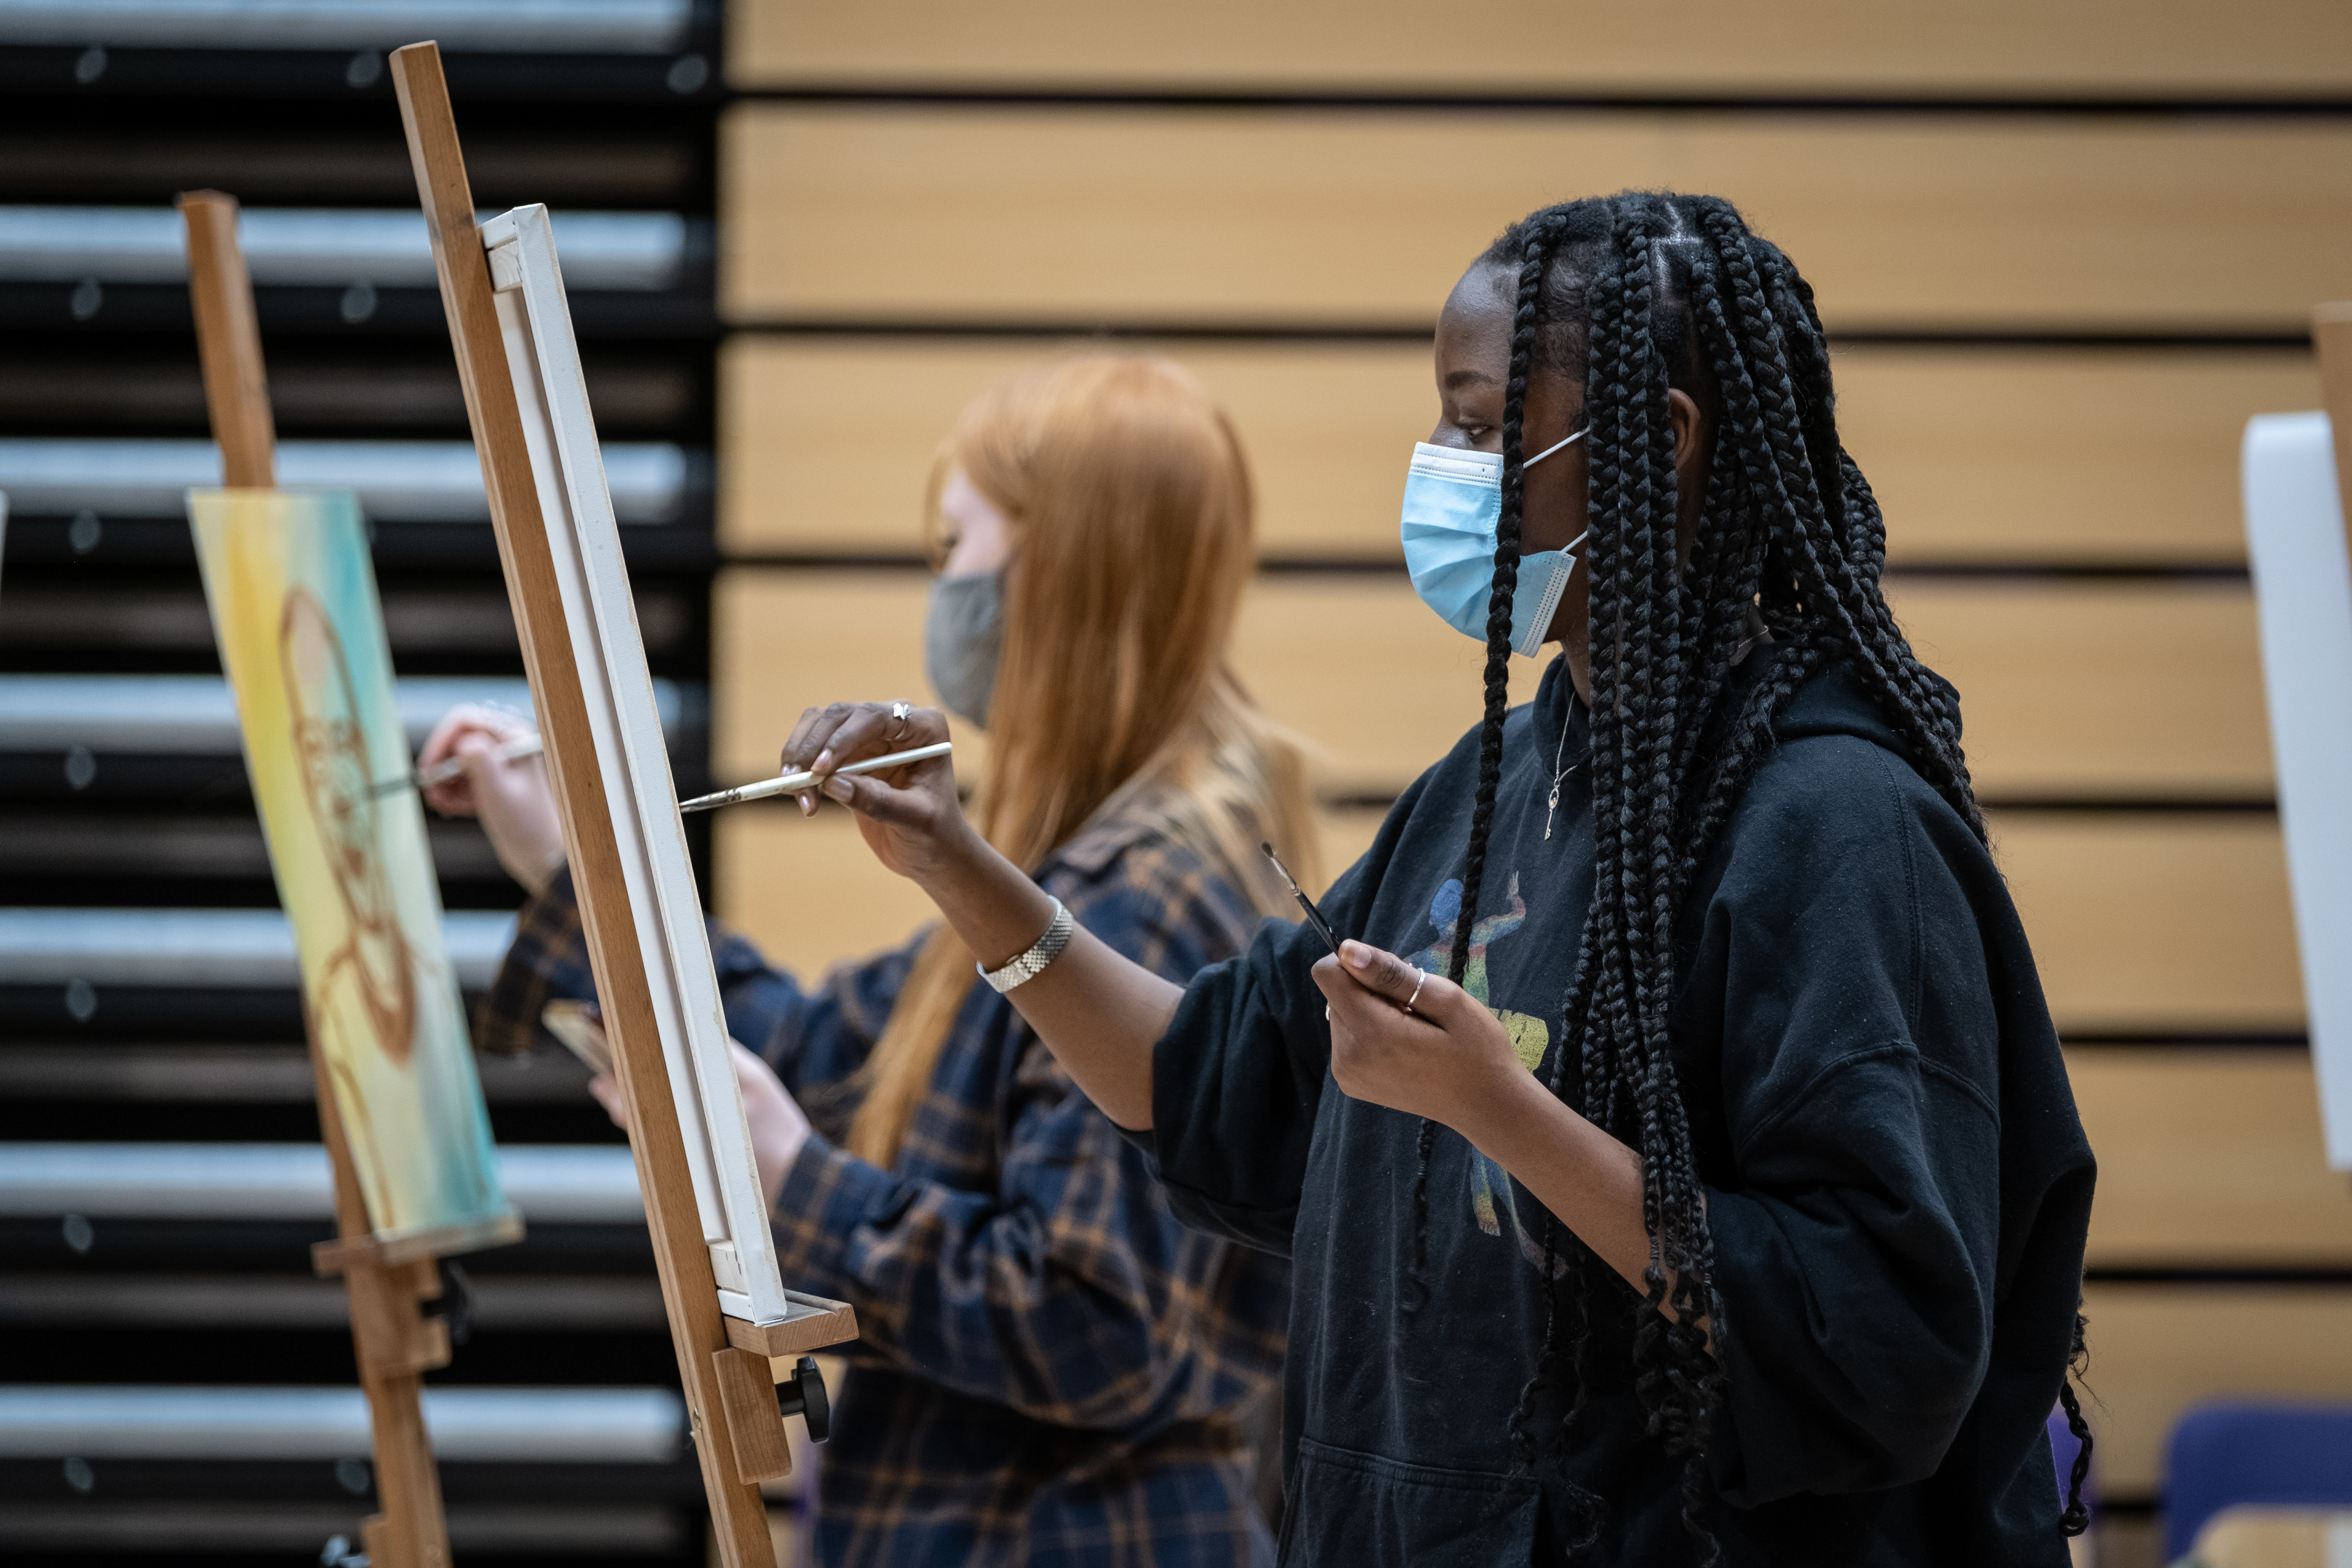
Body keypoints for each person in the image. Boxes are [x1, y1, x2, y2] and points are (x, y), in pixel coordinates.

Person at [777, 194, 2099, 1566]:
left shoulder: (1840, 828)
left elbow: (1872, 1336)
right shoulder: (1490, 786)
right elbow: (1215, 1089)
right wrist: (955, 862)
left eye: (1481, 421)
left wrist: (1496, 1109)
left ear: (1661, 440)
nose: (1443, 464)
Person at [423, 355, 1312, 1566]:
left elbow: (1102, 1324)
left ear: (1063, 571)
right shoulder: (1071, 856)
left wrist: (799, 1184)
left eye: (953, 551)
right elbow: (812, 1044)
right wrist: (563, 864)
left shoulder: (1144, 890)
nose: (939, 588)